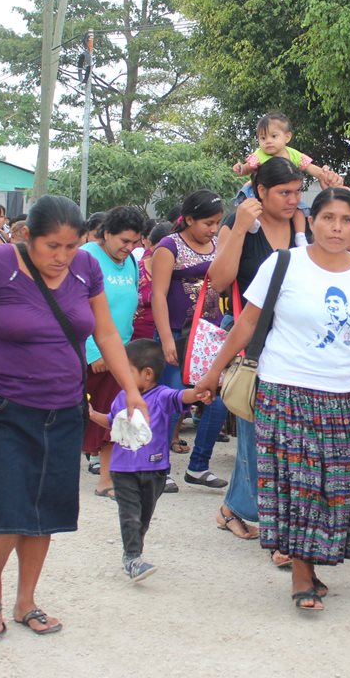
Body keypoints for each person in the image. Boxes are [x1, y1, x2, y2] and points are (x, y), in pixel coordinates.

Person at [199, 188, 350, 612]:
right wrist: (213, 371)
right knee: (300, 489)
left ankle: (308, 566)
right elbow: (247, 322)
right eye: (327, 218)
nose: (336, 228)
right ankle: (300, 576)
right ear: (312, 221)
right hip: (285, 391)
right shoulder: (284, 264)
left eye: (345, 220)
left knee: (334, 491)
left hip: (347, 397)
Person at [0, 194, 146, 638]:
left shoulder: (87, 268)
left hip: (64, 408)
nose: (61, 257)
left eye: (70, 247)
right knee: (8, 504)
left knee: (45, 509)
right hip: (5, 407)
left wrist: (132, 390)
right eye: (51, 247)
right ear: (27, 237)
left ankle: (27, 600)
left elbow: (105, 332)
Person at [206, 157, 305, 551]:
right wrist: (241, 228)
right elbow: (218, 280)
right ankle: (253, 514)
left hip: (296, 342)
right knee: (254, 432)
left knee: (285, 436)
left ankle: (238, 506)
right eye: (284, 193)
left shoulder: (304, 226)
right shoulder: (240, 222)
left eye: (298, 192)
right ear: (260, 191)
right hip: (254, 341)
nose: (293, 200)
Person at [108, 338, 209, 581]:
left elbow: (181, 397)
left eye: (127, 370)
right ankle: (132, 558)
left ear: (147, 374)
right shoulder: (120, 397)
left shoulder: (161, 396)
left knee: (143, 518)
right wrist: (91, 415)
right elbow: (112, 423)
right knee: (130, 514)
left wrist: (198, 392)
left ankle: (134, 553)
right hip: (123, 470)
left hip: (155, 470)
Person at [150, 190, 229, 492]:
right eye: (208, 222)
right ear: (190, 219)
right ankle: (159, 467)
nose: (212, 229)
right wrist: (166, 338)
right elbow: (158, 294)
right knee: (171, 399)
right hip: (177, 333)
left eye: (217, 223)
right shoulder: (168, 247)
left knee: (217, 401)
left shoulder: (219, 245)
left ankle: (198, 466)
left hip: (209, 336)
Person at [81, 206, 143, 499]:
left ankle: (106, 479)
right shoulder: (86, 257)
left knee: (113, 414)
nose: (129, 248)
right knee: (73, 414)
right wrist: (93, 351)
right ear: (106, 234)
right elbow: (77, 306)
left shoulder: (130, 261)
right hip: (88, 353)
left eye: (134, 242)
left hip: (120, 351)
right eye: (124, 241)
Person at [231, 111, 341, 189]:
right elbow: (247, 169)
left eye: (274, 136)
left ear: (287, 137)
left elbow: (311, 168)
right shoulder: (259, 155)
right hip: (261, 192)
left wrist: (325, 175)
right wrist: (240, 169)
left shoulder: (293, 154)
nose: (268, 141)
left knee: (300, 211)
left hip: (286, 192)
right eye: (263, 138)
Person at [132, 221, 172, 342]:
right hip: (136, 341)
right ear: (151, 244)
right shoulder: (136, 269)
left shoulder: (178, 273)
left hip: (168, 340)